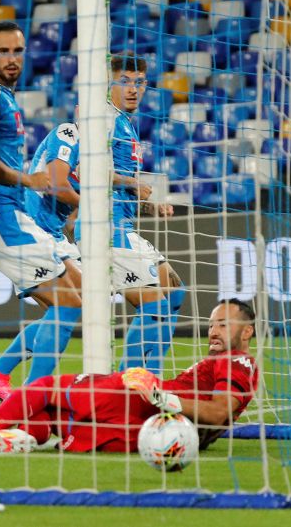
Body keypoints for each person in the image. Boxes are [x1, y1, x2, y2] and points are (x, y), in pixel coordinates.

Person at [0, 299, 258, 454]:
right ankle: (10, 440)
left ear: (247, 332)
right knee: (55, 419)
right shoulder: (224, 363)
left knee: (46, 388)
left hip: (139, 402)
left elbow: (218, 412)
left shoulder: (238, 361)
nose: (213, 331)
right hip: (141, 431)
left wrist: (161, 396)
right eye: (212, 323)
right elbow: (214, 419)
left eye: (224, 325)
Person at [0, 21, 84, 401]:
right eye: (3, 51)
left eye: (18, 51)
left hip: (5, 216)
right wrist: (25, 180)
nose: (12, 59)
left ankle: (5, 376)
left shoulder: (6, 97)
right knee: (69, 304)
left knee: (76, 297)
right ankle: (32, 400)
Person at [0, 112, 83, 395]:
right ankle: (31, 393)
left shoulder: (100, 153)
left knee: (67, 309)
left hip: (54, 234)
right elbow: (59, 187)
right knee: (72, 304)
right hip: (34, 231)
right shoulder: (69, 133)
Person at [104, 53, 186, 374]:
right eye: (124, 81)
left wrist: (147, 200)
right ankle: (131, 384)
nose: (133, 89)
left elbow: (121, 180)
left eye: (139, 82)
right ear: (110, 82)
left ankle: (144, 375)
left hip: (123, 223)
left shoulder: (125, 123)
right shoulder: (104, 119)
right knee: (155, 304)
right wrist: (131, 183)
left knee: (175, 290)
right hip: (107, 227)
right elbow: (84, 168)